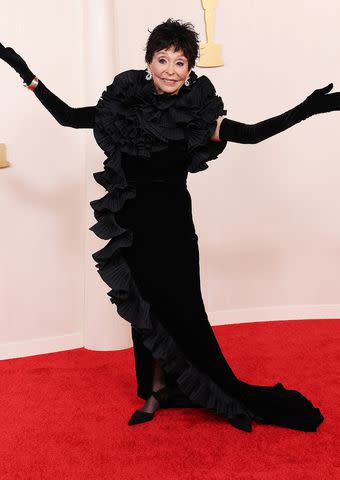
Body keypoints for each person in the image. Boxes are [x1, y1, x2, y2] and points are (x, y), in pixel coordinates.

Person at [2, 18, 339, 432]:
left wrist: (309, 108)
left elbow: (251, 134)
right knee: (145, 315)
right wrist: (21, 68)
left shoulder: (197, 116)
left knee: (184, 315)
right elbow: (69, 117)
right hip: (134, 232)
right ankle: (156, 390)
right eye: (163, 59)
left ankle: (210, 388)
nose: (171, 70)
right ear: (148, 63)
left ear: (190, 69)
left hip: (175, 234)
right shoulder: (124, 111)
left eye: (181, 62)